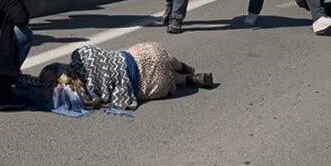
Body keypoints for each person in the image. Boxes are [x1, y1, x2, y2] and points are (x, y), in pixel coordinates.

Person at [18, 42, 214, 113]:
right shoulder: (83, 55)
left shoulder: (82, 96)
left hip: (150, 86)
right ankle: (185, 68)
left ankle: (187, 80)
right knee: (159, 58)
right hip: (141, 58)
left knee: (163, 79)